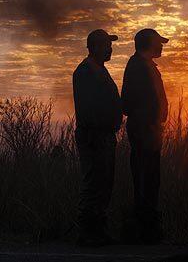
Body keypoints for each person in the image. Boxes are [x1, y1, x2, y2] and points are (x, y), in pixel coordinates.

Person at [72, 29, 122, 247]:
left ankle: (98, 231)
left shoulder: (100, 70)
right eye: (105, 44)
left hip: (104, 135)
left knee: (104, 184)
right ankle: (87, 232)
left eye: (110, 45)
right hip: (94, 136)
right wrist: (99, 130)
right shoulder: (85, 71)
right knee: (93, 183)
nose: (110, 48)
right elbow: (89, 109)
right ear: (93, 47)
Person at [121, 28, 169, 243]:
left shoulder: (147, 66)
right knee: (144, 178)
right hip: (143, 132)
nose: (161, 46)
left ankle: (148, 230)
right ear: (148, 43)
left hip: (150, 132)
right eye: (159, 42)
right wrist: (148, 122)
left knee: (151, 179)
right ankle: (143, 231)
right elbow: (129, 102)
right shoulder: (137, 67)